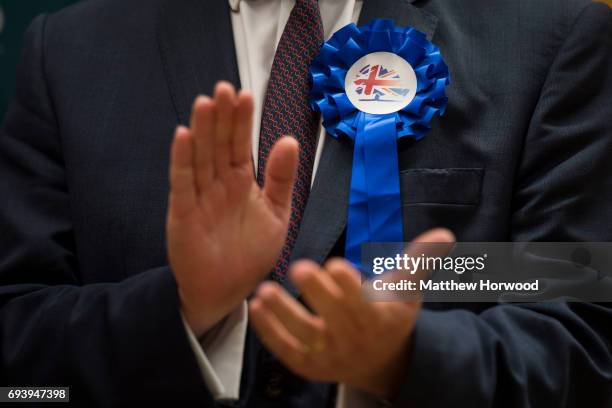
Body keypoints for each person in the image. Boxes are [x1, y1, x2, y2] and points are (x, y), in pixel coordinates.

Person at [0, 0, 611, 406]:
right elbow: (19, 366)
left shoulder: (551, 36)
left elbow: (585, 339)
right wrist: (186, 307)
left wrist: (405, 359)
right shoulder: (70, 50)